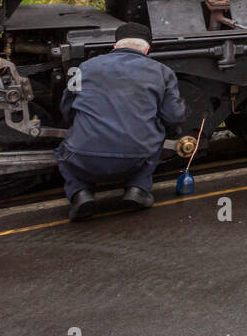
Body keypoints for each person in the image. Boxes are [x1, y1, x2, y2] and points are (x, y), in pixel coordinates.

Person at [57, 22, 186, 221]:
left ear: (115, 45)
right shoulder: (162, 72)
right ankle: (138, 189)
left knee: (63, 150)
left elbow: (67, 108)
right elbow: (174, 116)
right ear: (147, 49)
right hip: (137, 157)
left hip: (84, 156)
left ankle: (80, 193)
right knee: (156, 135)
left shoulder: (84, 67)